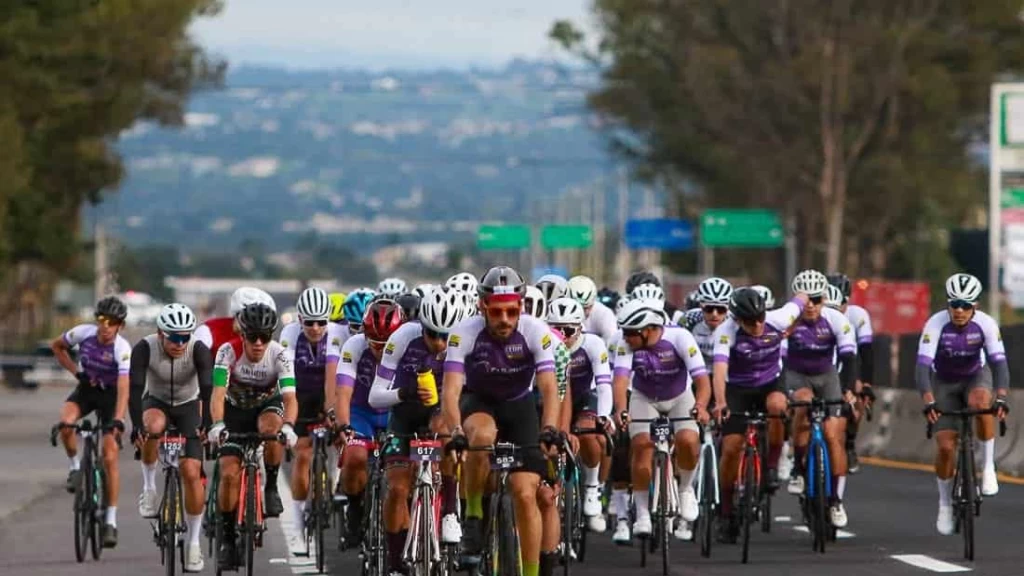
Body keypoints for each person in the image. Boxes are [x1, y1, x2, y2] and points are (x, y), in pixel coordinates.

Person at [442, 265, 562, 576]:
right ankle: (473, 515)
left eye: (512, 311)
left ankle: (531, 572)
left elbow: (549, 388)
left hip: (520, 405)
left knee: (525, 493)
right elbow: (451, 391)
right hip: (479, 401)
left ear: (521, 306)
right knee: (481, 436)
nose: (505, 319)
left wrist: (549, 428)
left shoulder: (536, 331)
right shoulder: (464, 332)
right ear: (482, 306)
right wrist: (456, 431)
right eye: (496, 312)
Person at [368, 286, 466, 576]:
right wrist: (405, 392)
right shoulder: (402, 338)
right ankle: (396, 562)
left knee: (444, 426)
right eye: (432, 334)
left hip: (442, 413)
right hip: (404, 416)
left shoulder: (464, 341)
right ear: (421, 326)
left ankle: (449, 511)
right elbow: (375, 397)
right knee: (397, 489)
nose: (439, 343)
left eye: (446, 336)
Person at [710, 287, 805, 542]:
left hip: (770, 382)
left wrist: (796, 320)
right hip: (738, 388)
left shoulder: (778, 319)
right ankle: (726, 512)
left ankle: (772, 464)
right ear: (737, 319)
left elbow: (801, 299)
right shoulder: (725, 332)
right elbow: (719, 370)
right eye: (750, 322)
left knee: (777, 406)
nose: (758, 325)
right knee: (731, 448)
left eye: (760, 318)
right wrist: (720, 402)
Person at [612, 297, 711, 541]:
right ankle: (643, 514)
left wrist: (700, 406)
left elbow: (701, 380)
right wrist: (621, 410)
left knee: (688, 440)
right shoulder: (626, 344)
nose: (625, 337)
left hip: (679, 397)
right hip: (644, 397)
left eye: (630, 333)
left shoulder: (680, 338)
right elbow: (621, 380)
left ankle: (685, 489)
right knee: (641, 446)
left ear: (647, 331)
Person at [917, 273, 1009, 535]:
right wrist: (929, 401)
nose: (959, 310)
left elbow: (999, 363)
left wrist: (1001, 397)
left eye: (965, 305)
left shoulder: (986, 324)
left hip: (975, 375)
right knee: (946, 447)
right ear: (948, 304)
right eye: (954, 304)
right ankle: (945, 504)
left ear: (975, 306)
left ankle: (988, 466)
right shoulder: (935, 324)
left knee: (981, 402)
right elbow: (922, 368)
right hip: (944, 381)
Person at [208, 303, 298, 569]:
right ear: (242, 334)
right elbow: (217, 395)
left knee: (272, 430)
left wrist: (289, 426)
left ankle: (271, 486)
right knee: (228, 473)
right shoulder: (227, 351)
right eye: (252, 336)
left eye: (264, 336)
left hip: (265, 407)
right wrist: (217, 424)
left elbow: (290, 398)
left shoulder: (280, 355)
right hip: (234, 411)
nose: (258, 343)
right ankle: (227, 538)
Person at [129, 303, 211, 571]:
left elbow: (208, 387)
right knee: (151, 426)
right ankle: (149, 488)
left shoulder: (198, 349)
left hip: (189, 405)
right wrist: (136, 426)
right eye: (174, 337)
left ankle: (194, 544)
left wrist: (208, 424)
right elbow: (135, 388)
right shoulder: (144, 347)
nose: (179, 343)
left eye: (185, 337)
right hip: (157, 401)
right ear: (160, 333)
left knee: (191, 471)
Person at [51, 296, 132, 548]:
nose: (106, 326)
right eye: (102, 320)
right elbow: (57, 347)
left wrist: (118, 419)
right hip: (87, 389)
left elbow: (124, 387)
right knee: (66, 424)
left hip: (111, 397)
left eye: (112, 322)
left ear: (120, 326)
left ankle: (110, 521)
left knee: (109, 455)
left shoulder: (122, 348)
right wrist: (77, 372)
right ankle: (75, 467)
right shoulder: (82, 333)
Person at [784, 270, 858, 529]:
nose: (811, 306)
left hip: (827, 376)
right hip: (796, 375)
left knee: (833, 435)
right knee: (803, 404)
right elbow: (778, 357)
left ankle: (836, 499)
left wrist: (848, 389)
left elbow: (849, 357)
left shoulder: (836, 319)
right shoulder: (788, 319)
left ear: (824, 299)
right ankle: (797, 468)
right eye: (806, 300)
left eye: (816, 299)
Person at [334, 299, 407, 545]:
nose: (381, 351)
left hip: (395, 414)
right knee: (354, 456)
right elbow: (343, 392)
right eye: (375, 344)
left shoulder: (409, 346)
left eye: (387, 345)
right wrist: (343, 424)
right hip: (361, 413)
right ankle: (354, 508)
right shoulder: (354, 346)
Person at [279, 288, 343, 539]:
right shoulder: (290, 333)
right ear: (299, 319)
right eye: (309, 322)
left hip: (329, 390)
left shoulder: (337, 333)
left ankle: (335, 479)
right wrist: (289, 415)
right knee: (303, 454)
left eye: (321, 322)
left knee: (340, 436)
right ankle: (298, 519)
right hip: (300, 395)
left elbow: (332, 376)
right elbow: (287, 378)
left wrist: (331, 411)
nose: (315, 328)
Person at [548, 297, 613, 533]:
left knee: (589, 435)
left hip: (585, 397)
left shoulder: (593, 344)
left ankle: (593, 486)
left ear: (580, 328)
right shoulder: (545, 344)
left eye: (568, 330)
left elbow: (604, 384)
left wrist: (604, 416)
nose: (562, 336)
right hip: (556, 397)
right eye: (555, 330)